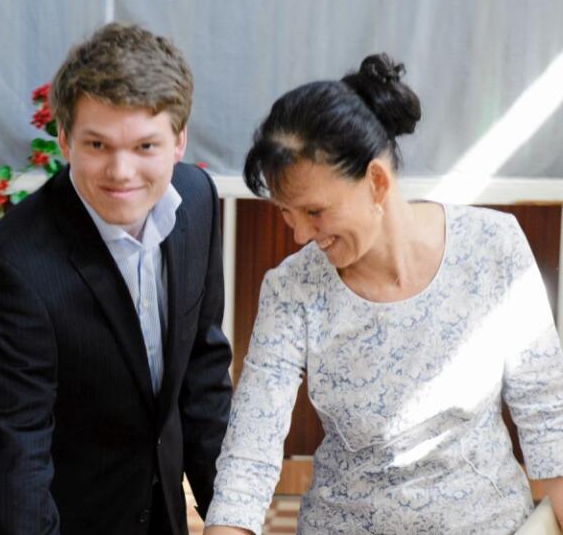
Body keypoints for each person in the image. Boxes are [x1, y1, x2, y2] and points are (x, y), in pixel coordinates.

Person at [204, 53, 563, 535]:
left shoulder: (493, 246)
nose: (299, 236)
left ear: (376, 182)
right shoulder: (293, 289)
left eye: (314, 211)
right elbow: (251, 450)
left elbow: (548, 415)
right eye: (287, 214)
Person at [0, 23, 233, 535]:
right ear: (64, 139)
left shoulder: (197, 202)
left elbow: (203, 371)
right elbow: (15, 464)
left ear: (179, 141)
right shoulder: (13, 270)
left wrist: (230, 514)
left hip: (159, 514)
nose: (121, 171)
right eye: (98, 144)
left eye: (145, 146)